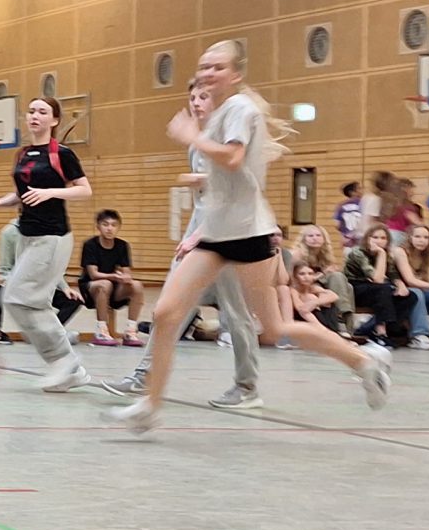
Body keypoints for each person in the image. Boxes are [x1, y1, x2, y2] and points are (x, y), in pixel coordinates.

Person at [108, 41, 389, 432]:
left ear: (235, 74)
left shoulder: (240, 109)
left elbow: (233, 158)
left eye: (218, 67)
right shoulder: (218, 115)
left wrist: (192, 137)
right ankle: (150, 406)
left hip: (249, 235)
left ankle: (364, 362)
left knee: (274, 329)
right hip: (215, 234)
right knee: (166, 313)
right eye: (204, 66)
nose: (208, 73)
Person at [101, 82, 264, 412]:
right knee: (168, 307)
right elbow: (205, 200)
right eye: (192, 97)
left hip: (229, 234)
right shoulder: (196, 145)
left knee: (236, 313)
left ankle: (247, 386)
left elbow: (233, 196)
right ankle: (145, 376)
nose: (196, 103)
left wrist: (200, 232)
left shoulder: (227, 141)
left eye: (203, 96)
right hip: (200, 232)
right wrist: (193, 231)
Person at [0, 97, 93, 393]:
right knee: (36, 302)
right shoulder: (23, 154)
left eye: (42, 112)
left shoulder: (62, 154)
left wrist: (51, 192)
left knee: (15, 297)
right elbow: (22, 193)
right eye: (31, 111)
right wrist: (0, 202)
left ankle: (64, 361)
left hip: (52, 236)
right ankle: (71, 369)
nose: (35, 115)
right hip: (26, 235)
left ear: (54, 120)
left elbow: (84, 190)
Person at [78, 209, 141, 346]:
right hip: (91, 287)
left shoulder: (122, 245)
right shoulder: (90, 245)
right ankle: (101, 330)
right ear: (98, 226)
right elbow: (93, 274)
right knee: (104, 284)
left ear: (119, 227)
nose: (109, 228)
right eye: (105, 224)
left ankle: (130, 331)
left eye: (113, 225)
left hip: (114, 286)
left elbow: (126, 272)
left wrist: (125, 277)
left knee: (137, 286)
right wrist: (114, 276)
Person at [394, 224, 429, 348]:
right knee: (417, 293)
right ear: (410, 237)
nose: (422, 240)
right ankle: (419, 335)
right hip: (400, 290)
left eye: (426, 237)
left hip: (419, 288)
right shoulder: (400, 252)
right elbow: (410, 280)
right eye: (417, 237)